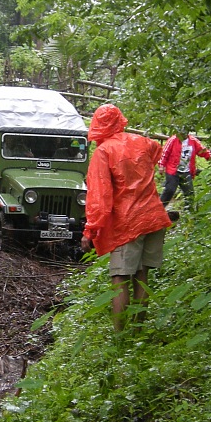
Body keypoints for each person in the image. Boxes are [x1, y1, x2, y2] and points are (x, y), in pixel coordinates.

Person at [80, 104, 172, 333]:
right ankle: (138, 333)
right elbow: (158, 154)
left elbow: (100, 197)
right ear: (120, 120)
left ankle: (120, 335)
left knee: (120, 278)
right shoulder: (143, 142)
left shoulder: (104, 152)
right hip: (153, 216)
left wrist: (90, 230)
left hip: (127, 223)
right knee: (142, 275)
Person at [158, 126, 211, 208]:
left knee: (189, 193)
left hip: (186, 171)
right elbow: (165, 153)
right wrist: (161, 165)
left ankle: (189, 212)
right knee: (170, 190)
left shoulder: (193, 141)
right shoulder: (173, 140)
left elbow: (202, 150)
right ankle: (160, 209)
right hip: (173, 170)